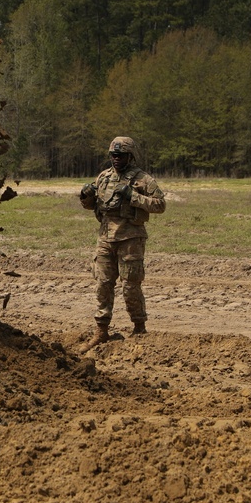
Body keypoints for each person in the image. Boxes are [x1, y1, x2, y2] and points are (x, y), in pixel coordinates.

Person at [78, 136, 165, 353]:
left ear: (130, 156)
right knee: (103, 284)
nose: (116, 159)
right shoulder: (104, 177)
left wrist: (133, 196)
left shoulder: (143, 179)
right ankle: (101, 330)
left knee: (130, 285)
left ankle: (139, 328)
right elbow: (93, 206)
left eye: (120, 155)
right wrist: (86, 197)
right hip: (106, 238)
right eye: (113, 155)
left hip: (131, 239)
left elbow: (160, 205)